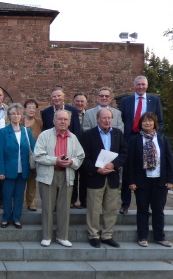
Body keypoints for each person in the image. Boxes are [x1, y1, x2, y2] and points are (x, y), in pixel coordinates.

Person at [34, 109, 84, 247]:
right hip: (48, 175)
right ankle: (47, 236)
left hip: (67, 175)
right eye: (60, 119)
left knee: (64, 207)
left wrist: (71, 162)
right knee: (48, 207)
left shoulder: (73, 137)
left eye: (65, 119)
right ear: (54, 121)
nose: (63, 122)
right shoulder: (45, 135)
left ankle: (62, 236)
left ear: (69, 122)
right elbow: (37, 155)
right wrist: (55, 160)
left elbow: (80, 156)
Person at [127, 112, 173, 247]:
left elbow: (169, 160)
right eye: (144, 121)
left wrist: (171, 179)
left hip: (159, 180)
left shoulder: (162, 139)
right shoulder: (134, 140)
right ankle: (142, 237)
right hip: (141, 181)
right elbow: (130, 163)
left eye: (150, 121)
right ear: (140, 124)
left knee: (158, 210)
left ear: (155, 123)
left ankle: (159, 237)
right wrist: (131, 181)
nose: (147, 123)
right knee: (142, 209)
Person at [82, 108, 128, 248]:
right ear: (97, 120)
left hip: (112, 177)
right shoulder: (89, 135)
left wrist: (114, 164)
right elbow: (84, 157)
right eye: (104, 118)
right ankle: (94, 235)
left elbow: (124, 153)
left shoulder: (117, 134)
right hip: (95, 177)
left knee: (110, 209)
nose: (107, 121)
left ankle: (107, 235)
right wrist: (97, 169)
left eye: (109, 118)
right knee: (94, 209)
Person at [118, 75, 165, 214]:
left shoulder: (154, 100)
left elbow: (160, 121)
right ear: (134, 86)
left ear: (147, 85)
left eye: (143, 84)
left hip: (148, 140)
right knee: (128, 171)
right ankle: (125, 204)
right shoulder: (126, 101)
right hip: (129, 139)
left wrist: (152, 134)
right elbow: (121, 120)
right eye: (138, 84)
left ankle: (146, 205)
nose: (141, 87)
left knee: (147, 173)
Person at [0, 104, 35, 229]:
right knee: (7, 195)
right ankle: (6, 217)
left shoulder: (26, 131)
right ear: (9, 116)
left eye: (18, 113)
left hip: (23, 170)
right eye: (13, 113)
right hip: (8, 170)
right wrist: (1, 171)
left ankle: (17, 218)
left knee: (19, 195)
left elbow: (34, 150)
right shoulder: (3, 132)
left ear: (21, 116)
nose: (16, 116)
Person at [22, 99, 44, 211]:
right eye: (29, 107)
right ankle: (19, 200)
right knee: (20, 179)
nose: (31, 110)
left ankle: (30, 201)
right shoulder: (19, 121)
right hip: (20, 155)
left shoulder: (39, 122)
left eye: (33, 107)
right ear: (24, 109)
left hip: (34, 155)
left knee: (32, 179)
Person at [71, 92, 89, 209]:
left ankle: (83, 201)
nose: (80, 103)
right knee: (73, 177)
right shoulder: (70, 115)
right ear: (73, 102)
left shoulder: (90, 115)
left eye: (82, 101)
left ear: (86, 103)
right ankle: (72, 200)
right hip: (72, 150)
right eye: (77, 101)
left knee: (85, 177)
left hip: (86, 150)